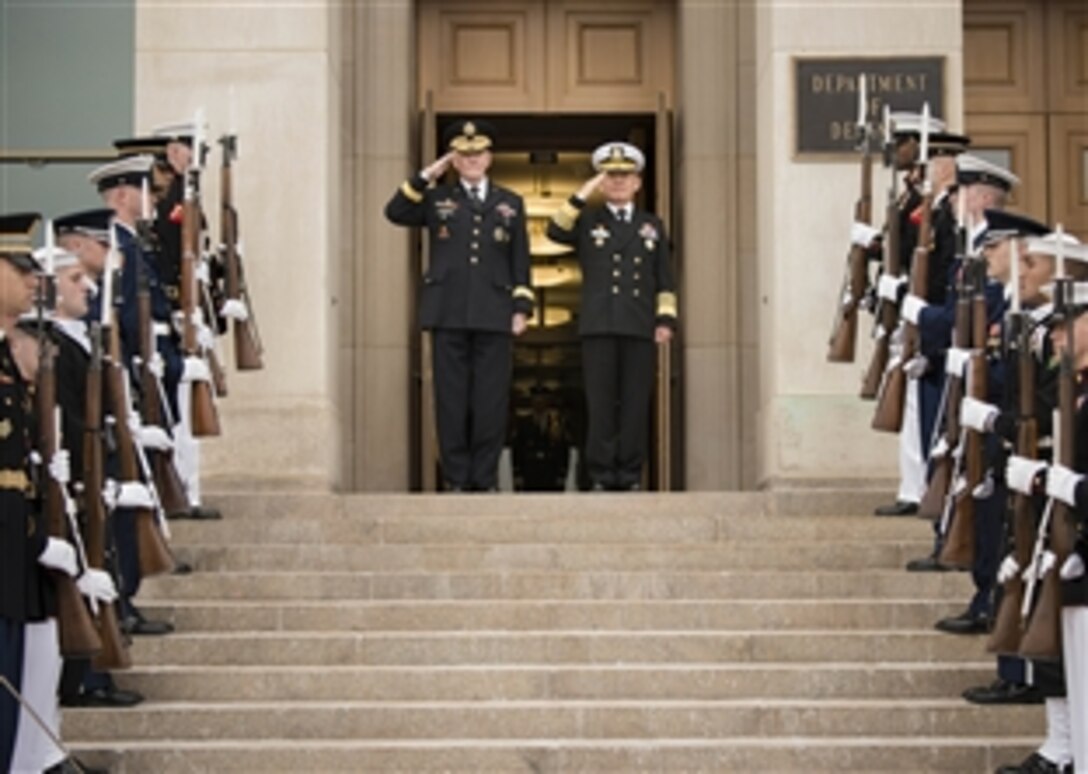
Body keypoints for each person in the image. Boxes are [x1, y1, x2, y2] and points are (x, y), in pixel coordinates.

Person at [385, 119, 534, 492]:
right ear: (454, 159)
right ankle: (456, 476)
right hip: (448, 310)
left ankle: (483, 478)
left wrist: (521, 307)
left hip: (495, 312)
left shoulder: (510, 202)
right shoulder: (437, 199)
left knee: (490, 400)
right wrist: (427, 174)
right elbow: (396, 211)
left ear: (489, 158)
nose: (471, 160)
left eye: (477, 153)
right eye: (463, 154)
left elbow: (520, 260)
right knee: (450, 399)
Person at [546, 142, 677, 491]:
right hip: (599, 326)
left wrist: (665, 321)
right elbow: (554, 231)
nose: (618, 182)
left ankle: (630, 473)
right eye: (610, 176)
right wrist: (582, 193)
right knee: (601, 403)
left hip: (638, 326)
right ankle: (603, 474)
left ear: (637, 182)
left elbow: (665, 278)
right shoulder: (589, 222)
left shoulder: (652, 226)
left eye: (625, 176)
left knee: (634, 403)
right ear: (602, 183)